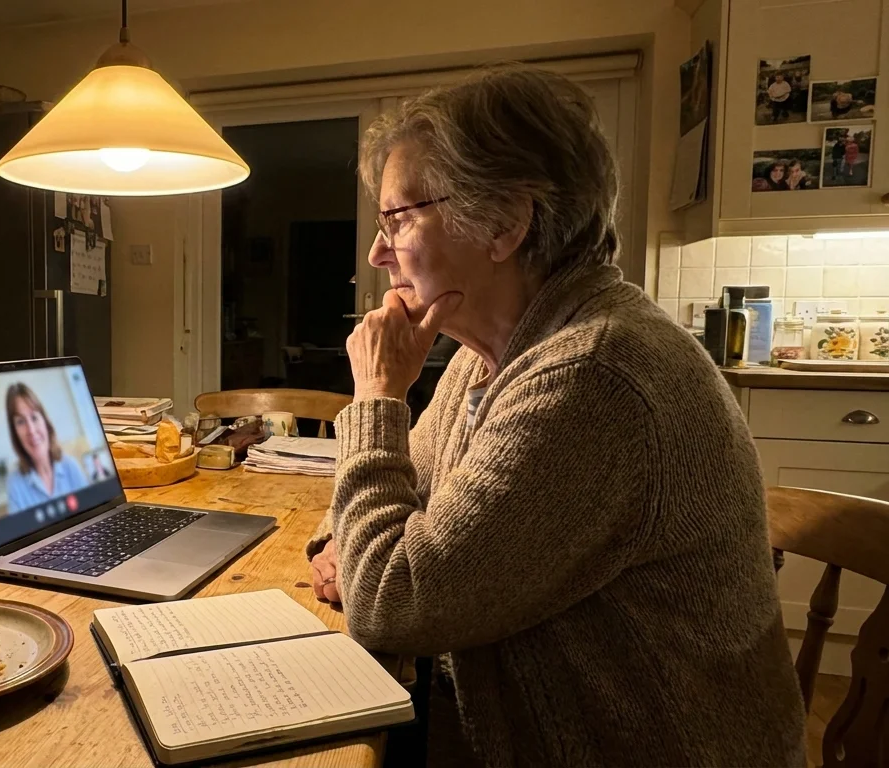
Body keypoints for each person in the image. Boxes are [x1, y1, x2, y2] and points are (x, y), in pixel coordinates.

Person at [307, 66, 804, 765]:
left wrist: (379, 398)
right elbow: (376, 514)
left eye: (398, 217)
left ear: (506, 222)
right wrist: (354, 551)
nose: (377, 251)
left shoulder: (594, 376)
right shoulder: (491, 355)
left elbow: (392, 597)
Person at [3, 383, 88, 514]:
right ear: (15, 434)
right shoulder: (15, 485)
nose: (31, 430)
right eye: (20, 421)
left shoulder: (71, 467)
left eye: (34, 417)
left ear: (45, 422)